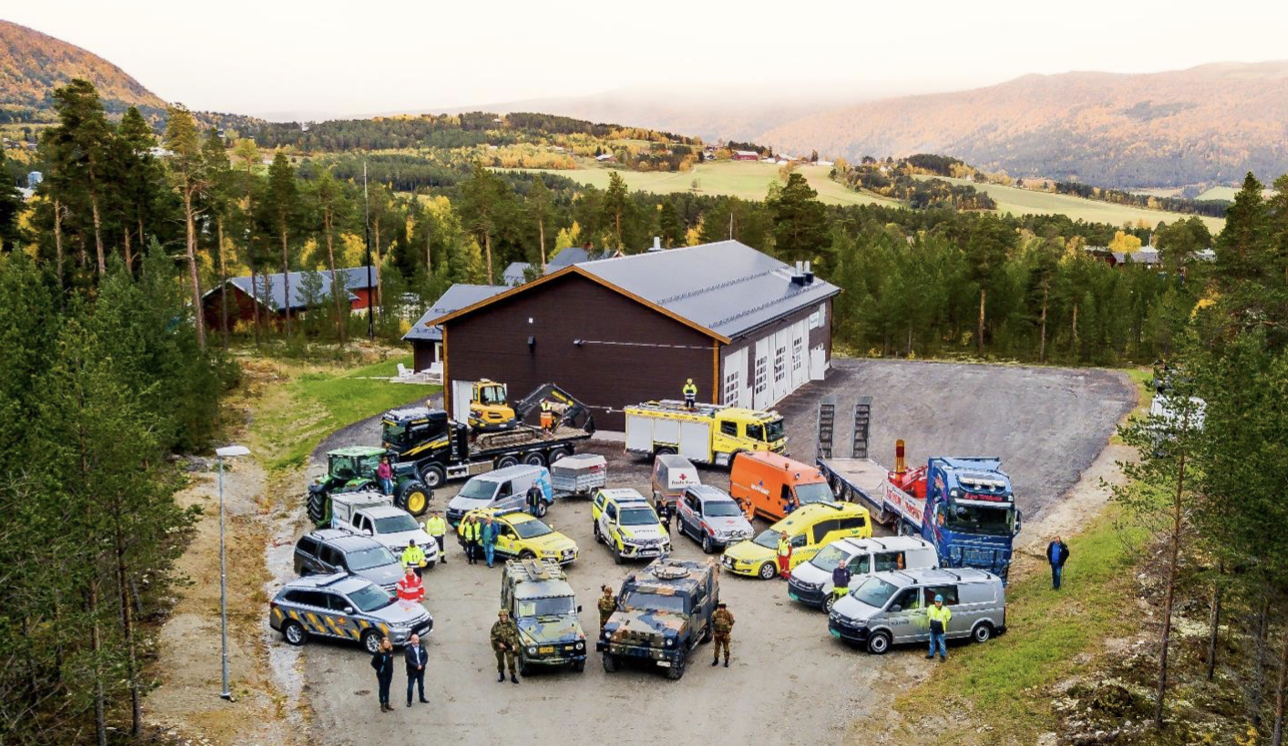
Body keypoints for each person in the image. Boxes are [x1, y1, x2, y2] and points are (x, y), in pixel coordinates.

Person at [490, 609, 521, 684]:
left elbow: (516, 634)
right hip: (500, 646)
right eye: (501, 616)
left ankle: (513, 675)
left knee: (511, 660)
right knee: (500, 660)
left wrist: (514, 644)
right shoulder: (496, 625)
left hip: (509, 645)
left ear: (507, 616)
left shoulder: (511, 624)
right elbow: (492, 636)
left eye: (504, 616)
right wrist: (498, 643)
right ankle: (501, 674)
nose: (503, 617)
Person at [370, 636, 395, 712]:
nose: (387, 645)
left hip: (389, 673)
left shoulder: (390, 651)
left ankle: (387, 703)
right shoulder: (379, 653)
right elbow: (373, 663)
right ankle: (382, 704)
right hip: (382, 674)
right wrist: (380, 669)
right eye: (385, 643)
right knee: (382, 688)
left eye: (388, 643)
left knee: (387, 688)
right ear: (382, 644)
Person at [404, 633, 429, 707]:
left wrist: (422, 665)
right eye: (414, 640)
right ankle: (409, 701)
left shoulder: (422, 647)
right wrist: (417, 666)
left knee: (421, 685)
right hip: (412, 671)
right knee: (410, 687)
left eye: (416, 640)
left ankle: (422, 698)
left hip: (421, 670)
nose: (415, 641)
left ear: (418, 640)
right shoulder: (408, 649)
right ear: (411, 640)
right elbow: (408, 660)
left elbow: (425, 657)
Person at [926, 594, 952, 662]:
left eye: (939, 601)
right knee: (932, 642)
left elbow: (949, 618)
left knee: (941, 643)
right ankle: (931, 654)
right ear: (934, 601)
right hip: (932, 629)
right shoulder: (930, 608)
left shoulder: (946, 610)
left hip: (941, 630)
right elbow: (928, 615)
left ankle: (942, 656)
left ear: (942, 602)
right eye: (936, 601)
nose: (938, 603)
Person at [711, 602, 735, 667]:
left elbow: (732, 621)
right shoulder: (715, 613)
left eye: (723, 607)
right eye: (720, 607)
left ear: (724, 607)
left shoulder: (728, 614)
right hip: (717, 634)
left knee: (726, 648)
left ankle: (726, 661)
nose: (721, 609)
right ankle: (716, 659)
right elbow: (713, 620)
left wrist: (728, 627)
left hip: (725, 635)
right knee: (716, 648)